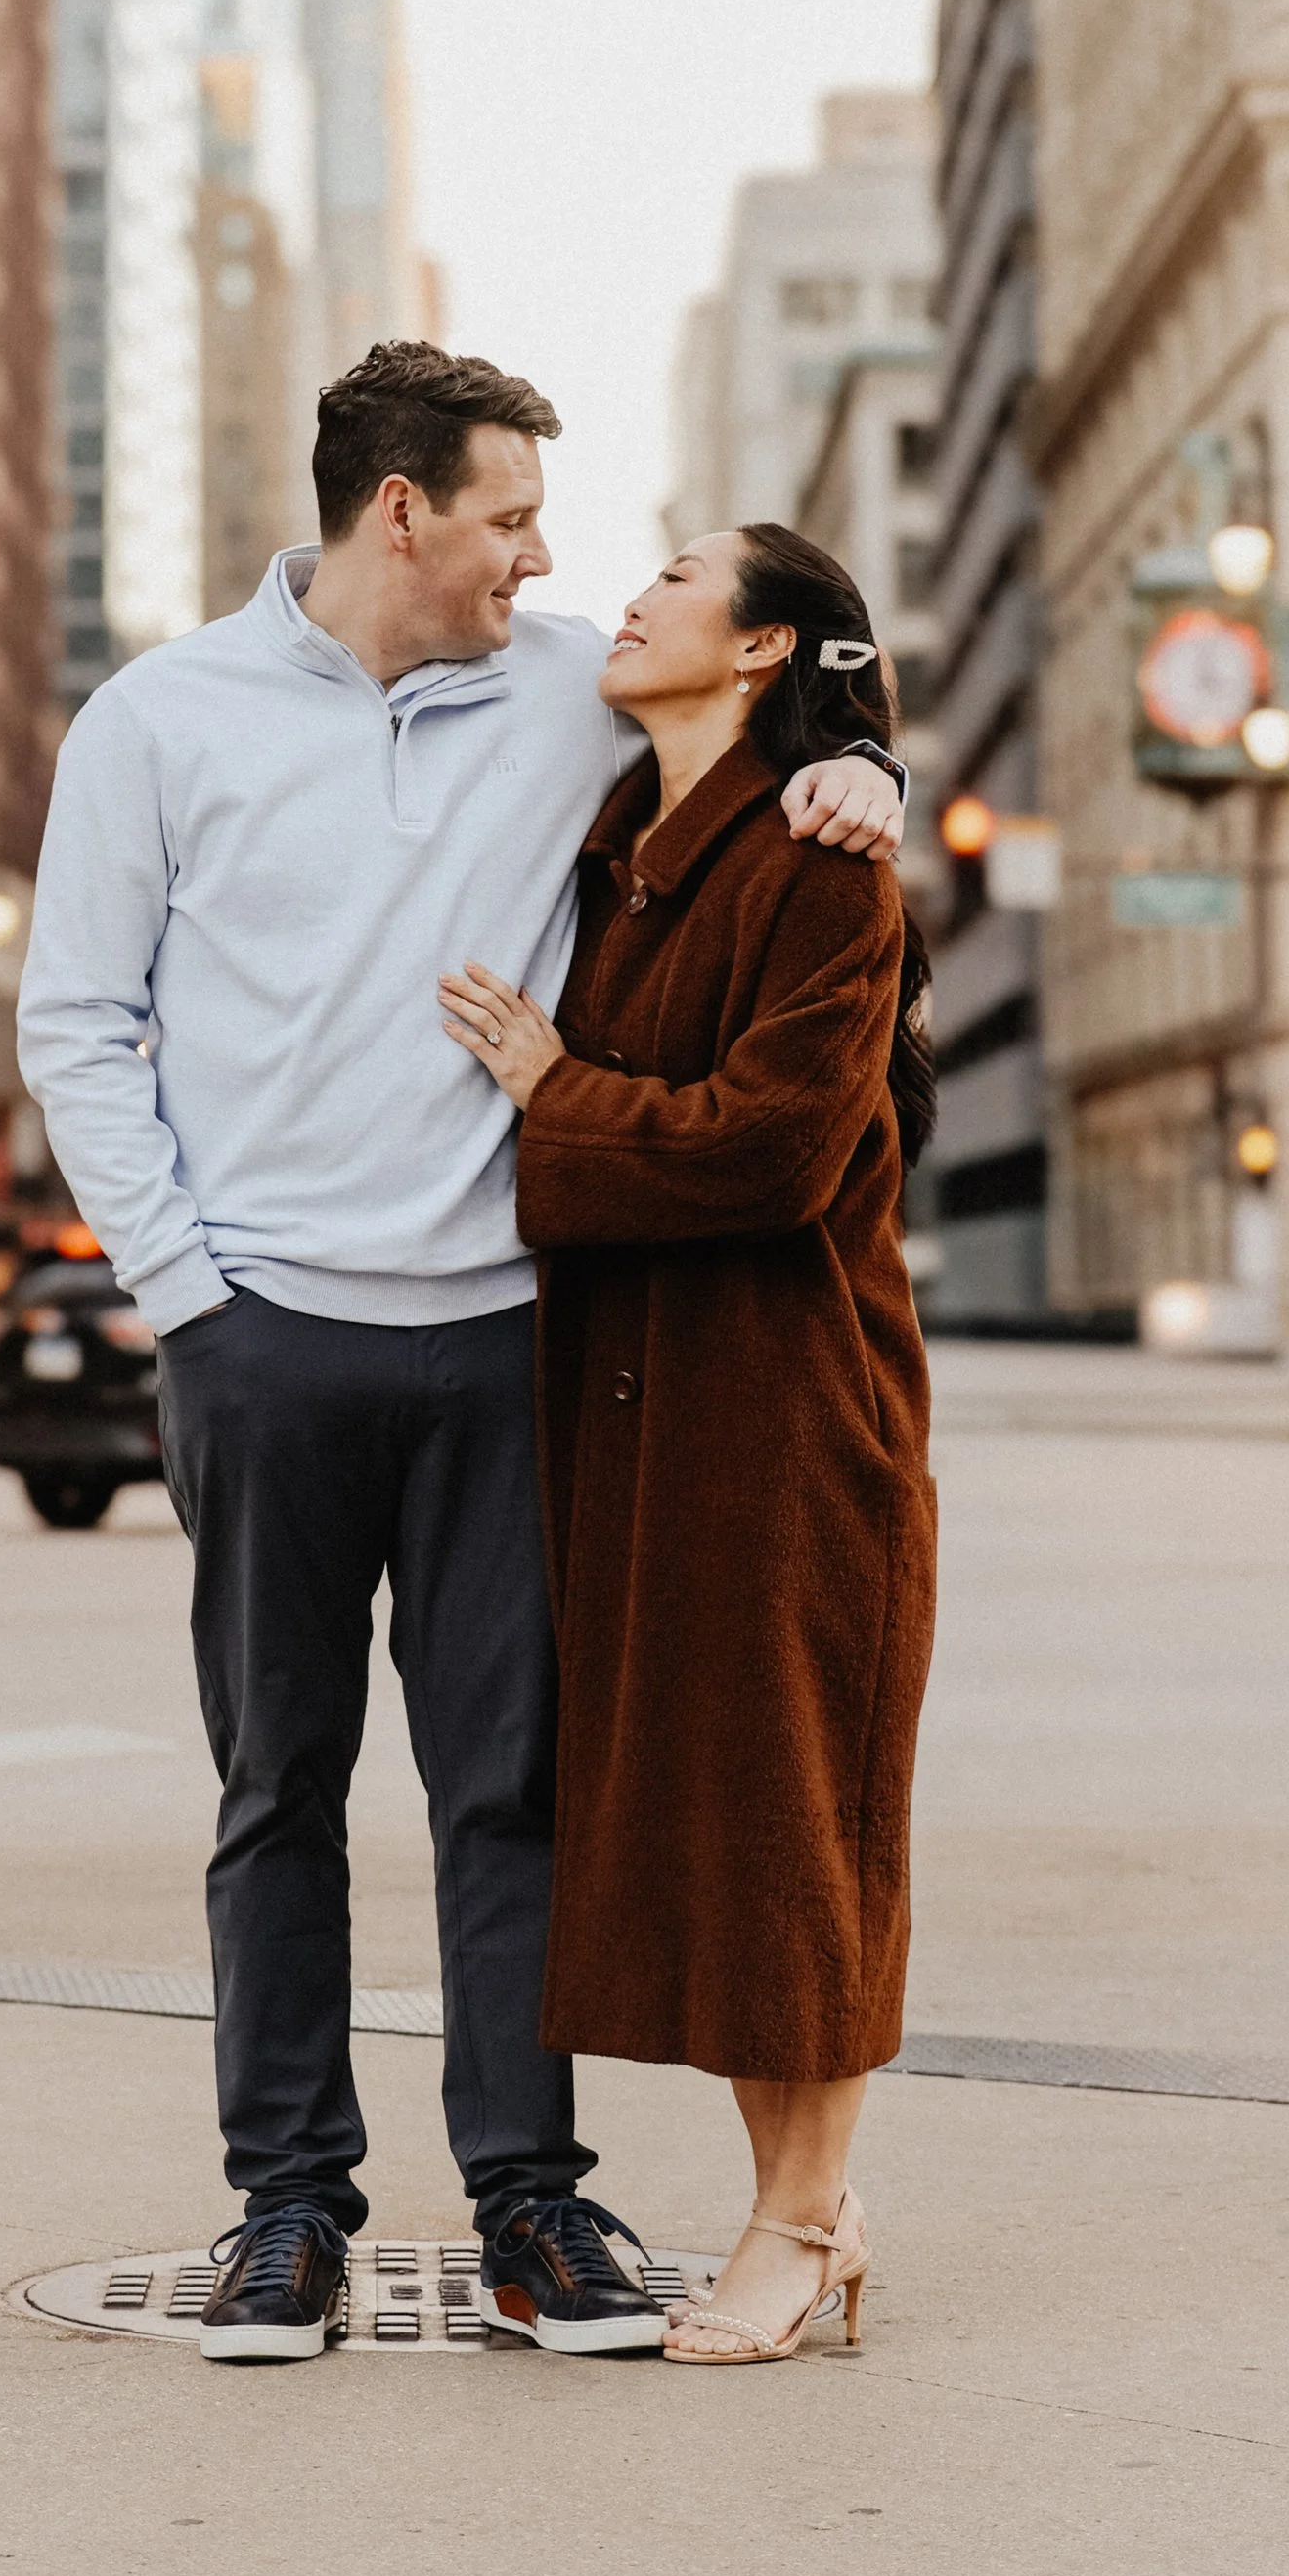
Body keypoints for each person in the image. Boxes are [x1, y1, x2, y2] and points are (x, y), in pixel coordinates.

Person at [17, 346, 907, 2365]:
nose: (541, 557)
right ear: (395, 510)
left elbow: (770, 734)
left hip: (511, 1345)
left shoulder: (572, 692)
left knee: (515, 1793)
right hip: (263, 1342)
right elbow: (78, 1020)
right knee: (279, 1789)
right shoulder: (157, 719)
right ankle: (285, 2211)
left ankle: (531, 2204)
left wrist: (867, 775)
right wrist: (187, 1296)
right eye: (506, 515)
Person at [442, 520, 937, 2369]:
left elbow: (767, 1146)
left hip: (789, 1419)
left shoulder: (818, 863)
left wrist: (555, 1093)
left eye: (676, 576)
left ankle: (799, 2227)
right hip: (652, 1417)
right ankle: (813, 2213)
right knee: (724, 1836)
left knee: (797, 1832)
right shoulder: (626, 839)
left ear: (758, 653)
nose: (626, 593)